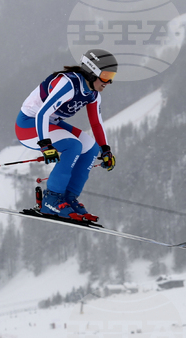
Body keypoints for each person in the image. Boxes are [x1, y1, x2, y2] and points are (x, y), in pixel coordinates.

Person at [15, 48, 117, 222]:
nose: (108, 82)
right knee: (73, 145)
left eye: (112, 78)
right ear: (92, 72)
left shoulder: (93, 93)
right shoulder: (68, 84)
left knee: (91, 149)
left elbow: (96, 123)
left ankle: (68, 198)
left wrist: (105, 150)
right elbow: (42, 114)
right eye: (106, 76)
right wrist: (45, 144)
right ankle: (51, 200)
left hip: (50, 123)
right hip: (28, 124)